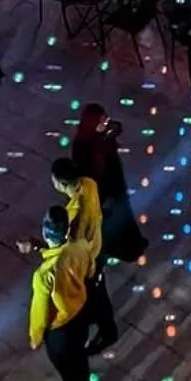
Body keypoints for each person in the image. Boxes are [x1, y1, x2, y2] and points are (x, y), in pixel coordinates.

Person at [28, 204, 116, 381]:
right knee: (80, 363)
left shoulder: (43, 276)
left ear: (44, 232)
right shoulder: (81, 248)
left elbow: (39, 313)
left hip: (61, 332)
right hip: (80, 319)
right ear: (67, 230)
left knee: (76, 378)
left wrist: (35, 336)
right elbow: (82, 268)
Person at [72, 104, 149, 264]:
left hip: (115, 184)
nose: (105, 123)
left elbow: (116, 128)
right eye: (102, 121)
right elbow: (89, 173)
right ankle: (118, 248)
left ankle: (131, 244)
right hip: (103, 190)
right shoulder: (83, 146)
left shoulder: (102, 136)